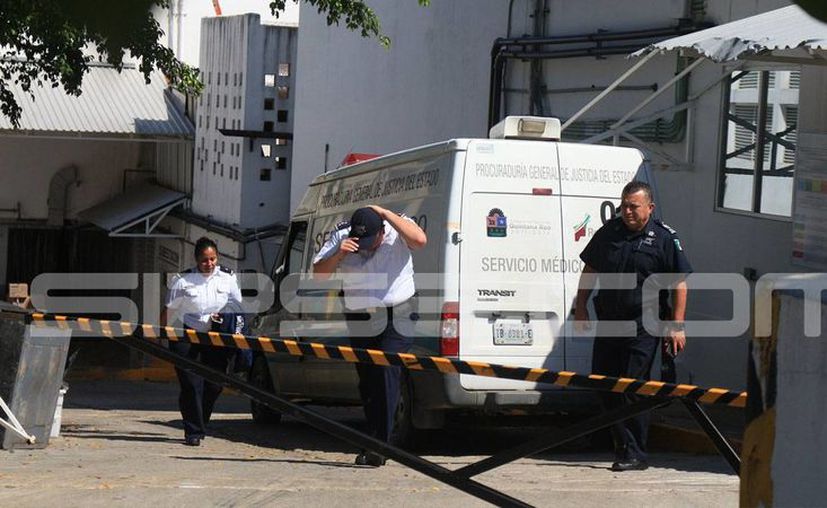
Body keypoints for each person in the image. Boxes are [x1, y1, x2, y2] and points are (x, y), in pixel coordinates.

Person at [574, 181, 692, 472]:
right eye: (623, 205)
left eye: (632, 206)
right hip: (610, 322)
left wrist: (676, 325)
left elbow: (679, 283)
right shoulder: (609, 233)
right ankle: (616, 438)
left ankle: (634, 452)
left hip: (644, 324)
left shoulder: (664, 238)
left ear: (649, 208)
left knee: (632, 387)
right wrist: (580, 307)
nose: (626, 211)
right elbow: (590, 271)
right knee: (603, 384)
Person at [313, 205, 427, 466]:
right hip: (360, 314)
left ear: (381, 231)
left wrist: (387, 214)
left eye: (371, 241)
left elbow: (420, 241)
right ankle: (376, 437)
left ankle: (379, 445)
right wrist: (339, 255)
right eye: (360, 241)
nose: (366, 246)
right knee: (368, 379)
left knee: (385, 367)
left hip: (398, 311)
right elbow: (318, 275)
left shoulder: (397, 228)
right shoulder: (342, 236)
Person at [161, 237, 243, 446]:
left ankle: (200, 419)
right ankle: (193, 432)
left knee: (214, 385)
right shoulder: (183, 280)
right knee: (191, 384)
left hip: (216, 337)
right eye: (205, 260)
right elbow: (169, 310)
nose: (209, 263)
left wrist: (226, 319)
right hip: (188, 335)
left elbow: (237, 307)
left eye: (213, 259)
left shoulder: (228, 278)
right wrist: (159, 334)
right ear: (197, 259)